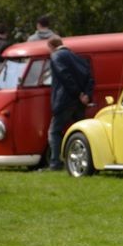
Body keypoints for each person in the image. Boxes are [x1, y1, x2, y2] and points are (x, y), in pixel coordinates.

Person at [46, 37, 94, 170]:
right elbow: (89, 77)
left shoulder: (56, 57)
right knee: (81, 131)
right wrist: (86, 95)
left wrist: (78, 93)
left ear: (51, 46)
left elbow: (65, 76)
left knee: (54, 131)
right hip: (79, 102)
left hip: (64, 100)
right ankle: (85, 159)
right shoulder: (77, 57)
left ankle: (55, 162)